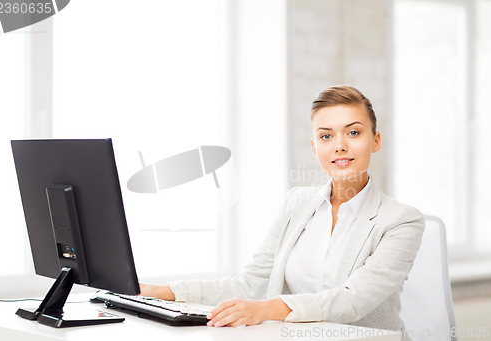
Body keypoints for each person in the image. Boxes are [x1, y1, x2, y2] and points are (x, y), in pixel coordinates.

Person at [140, 85, 424, 338]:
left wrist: (266, 309)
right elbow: (248, 283)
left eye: (353, 132)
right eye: (326, 136)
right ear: (315, 148)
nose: (340, 146)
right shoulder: (297, 204)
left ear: (375, 140)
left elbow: (352, 301)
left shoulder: (401, 220)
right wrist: (163, 292)